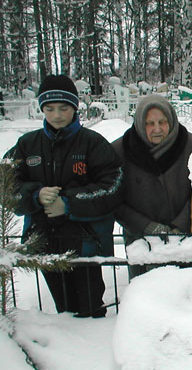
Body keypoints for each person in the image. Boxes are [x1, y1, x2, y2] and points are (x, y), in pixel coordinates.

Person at [6, 74, 124, 317]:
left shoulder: (93, 144)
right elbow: (6, 184)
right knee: (63, 309)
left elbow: (112, 187)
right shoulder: (27, 145)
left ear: (75, 108)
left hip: (86, 242)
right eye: (49, 109)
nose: (57, 115)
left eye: (64, 108)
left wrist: (68, 203)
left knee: (90, 308)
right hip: (44, 241)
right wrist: (35, 195)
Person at [112, 95, 192, 277]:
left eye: (162, 122)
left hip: (185, 238)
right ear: (139, 123)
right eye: (149, 123)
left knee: (185, 294)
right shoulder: (119, 151)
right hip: (140, 239)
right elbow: (114, 199)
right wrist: (147, 226)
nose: (157, 129)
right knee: (147, 296)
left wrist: (180, 225)